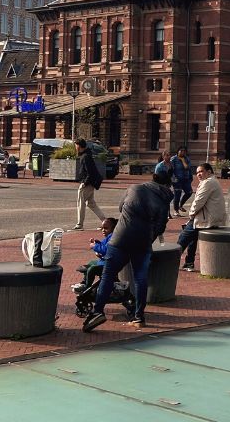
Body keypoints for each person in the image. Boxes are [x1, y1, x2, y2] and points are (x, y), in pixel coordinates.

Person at [82, 172, 173, 332]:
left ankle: (98, 312)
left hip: (121, 238)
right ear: (167, 185)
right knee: (140, 279)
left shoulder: (134, 188)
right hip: (143, 242)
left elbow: (120, 207)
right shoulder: (164, 201)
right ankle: (139, 317)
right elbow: (160, 226)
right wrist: (147, 238)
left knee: (108, 276)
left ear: (153, 179)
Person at [177, 162, 227, 271]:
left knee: (182, 239)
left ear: (209, 172)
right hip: (210, 218)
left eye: (201, 171)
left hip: (206, 219)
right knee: (192, 238)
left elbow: (199, 201)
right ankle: (189, 263)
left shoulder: (208, 183)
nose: (199, 174)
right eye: (197, 172)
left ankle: (169, 261)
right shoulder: (212, 181)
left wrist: (191, 214)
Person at [73, 139, 105, 231]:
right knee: (91, 203)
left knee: (80, 203)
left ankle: (79, 224)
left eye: (76, 145)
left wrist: (84, 183)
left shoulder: (85, 156)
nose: (75, 147)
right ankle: (105, 221)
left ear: (79, 146)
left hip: (87, 183)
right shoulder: (87, 155)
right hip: (91, 183)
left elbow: (89, 172)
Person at [78, 217, 117, 289]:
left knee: (92, 269)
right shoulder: (108, 237)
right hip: (104, 261)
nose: (103, 230)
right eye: (102, 228)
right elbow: (103, 245)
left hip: (108, 264)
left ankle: (87, 287)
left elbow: (105, 250)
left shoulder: (112, 238)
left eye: (106, 228)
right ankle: (84, 282)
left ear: (113, 229)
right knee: (91, 263)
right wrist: (97, 242)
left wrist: (94, 246)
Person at [169, 147, 194, 215]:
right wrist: (174, 179)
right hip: (177, 180)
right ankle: (176, 211)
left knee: (189, 192)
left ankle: (181, 205)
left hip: (186, 179)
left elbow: (187, 168)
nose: (183, 152)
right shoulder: (173, 159)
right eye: (181, 151)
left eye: (184, 151)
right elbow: (171, 170)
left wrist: (183, 160)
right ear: (178, 151)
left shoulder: (186, 159)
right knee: (177, 195)